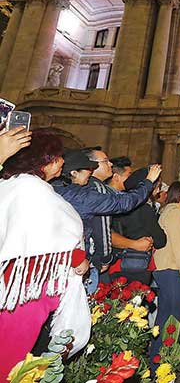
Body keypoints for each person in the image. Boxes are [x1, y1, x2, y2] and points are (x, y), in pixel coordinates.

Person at [0, 130, 89, 381]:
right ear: (45, 159)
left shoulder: (10, 184)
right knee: (10, 361)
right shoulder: (32, 190)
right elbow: (54, 235)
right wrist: (78, 258)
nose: (62, 161)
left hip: (12, 286)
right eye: (58, 156)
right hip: (26, 291)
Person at [52, 149, 160, 292]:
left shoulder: (56, 188)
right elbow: (117, 210)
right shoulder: (86, 193)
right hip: (79, 262)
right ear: (74, 173)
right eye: (88, 167)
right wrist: (104, 258)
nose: (91, 170)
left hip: (64, 260)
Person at [151, 181, 180, 359]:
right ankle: (163, 357)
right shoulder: (175, 214)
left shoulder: (171, 212)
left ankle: (162, 355)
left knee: (167, 313)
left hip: (170, 267)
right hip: (172, 268)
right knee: (172, 315)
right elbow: (177, 243)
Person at [109, 168, 167, 285]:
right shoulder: (144, 209)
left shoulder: (118, 203)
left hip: (115, 261)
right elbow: (160, 240)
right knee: (134, 299)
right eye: (157, 186)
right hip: (136, 262)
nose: (158, 190)